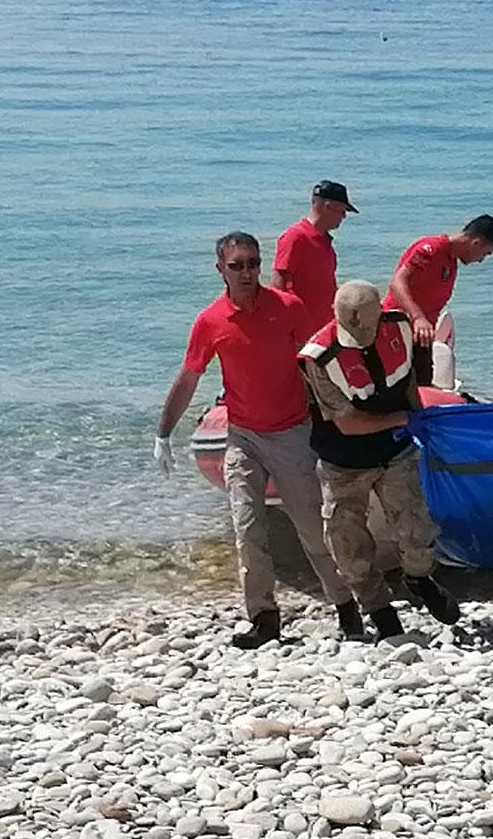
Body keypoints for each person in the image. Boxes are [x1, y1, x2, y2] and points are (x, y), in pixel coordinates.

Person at [154, 232, 359, 648]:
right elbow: (190, 377)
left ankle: (346, 608)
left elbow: (321, 358)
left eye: (252, 263)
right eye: (237, 265)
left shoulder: (288, 308)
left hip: (291, 433)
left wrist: (346, 410)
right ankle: (264, 619)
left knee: (312, 531)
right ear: (220, 270)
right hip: (242, 437)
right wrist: (163, 433)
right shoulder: (211, 321)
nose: (247, 272)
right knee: (248, 531)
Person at [298, 280, 461, 639]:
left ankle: (419, 579)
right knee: (348, 545)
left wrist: (420, 420)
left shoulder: (398, 328)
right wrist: (404, 419)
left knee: (417, 530)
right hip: (344, 460)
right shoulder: (319, 358)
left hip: (396, 451)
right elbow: (348, 423)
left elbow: (407, 379)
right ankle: (378, 610)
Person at [382, 215, 493, 383]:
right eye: (485, 253)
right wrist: (418, 317)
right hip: (398, 328)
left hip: (421, 336)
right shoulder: (431, 250)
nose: (481, 260)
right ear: (477, 242)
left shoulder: (451, 261)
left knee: (422, 384)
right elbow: (398, 282)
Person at [271, 180, 355, 330]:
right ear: (328, 206)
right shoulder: (296, 237)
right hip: (302, 329)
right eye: (342, 211)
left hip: (324, 326)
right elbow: (279, 283)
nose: (343, 217)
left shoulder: (324, 240)